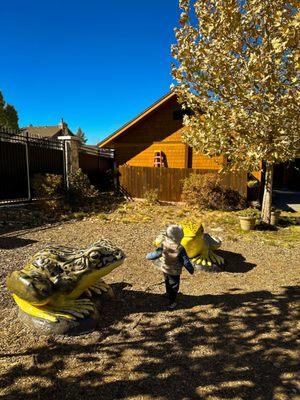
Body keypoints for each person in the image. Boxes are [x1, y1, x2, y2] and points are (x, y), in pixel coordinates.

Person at [146, 224, 194, 309]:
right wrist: (191, 270)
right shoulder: (180, 248)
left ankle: (168, 293)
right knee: (174, 286)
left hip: (165, 268)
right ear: (180, 237)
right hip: (174, 272)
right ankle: (172, 302)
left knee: (167, 282)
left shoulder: (164, 244)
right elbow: (185, 261)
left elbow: (157, 253)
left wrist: (149, 256)